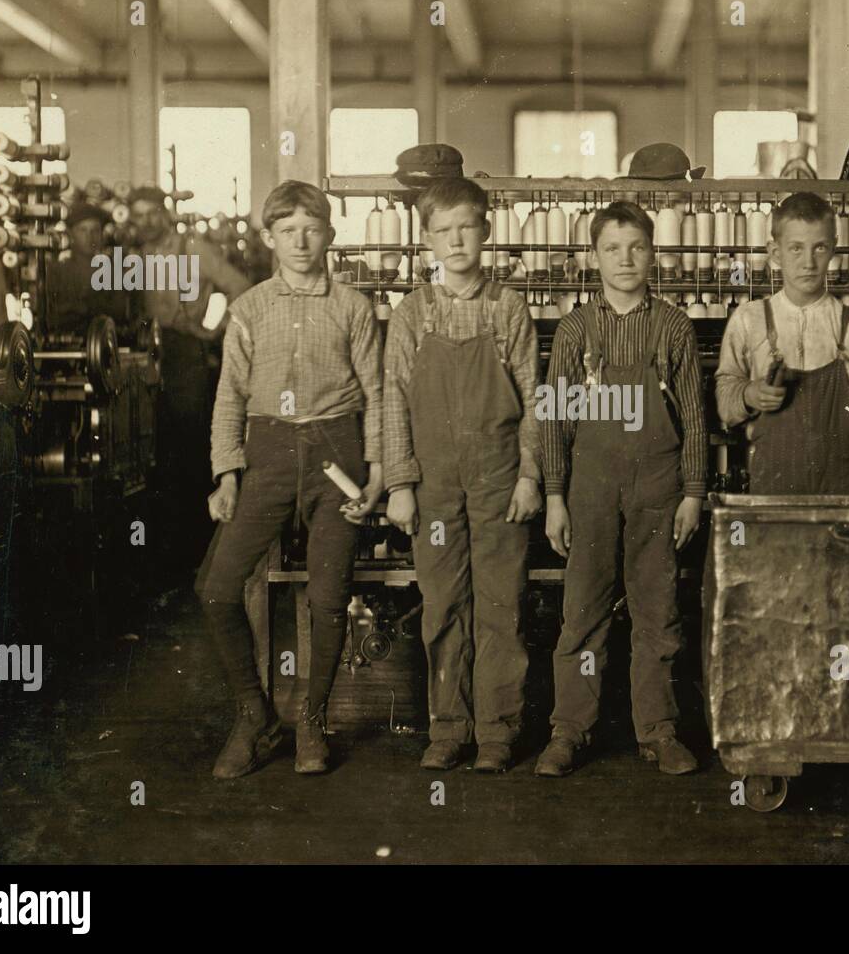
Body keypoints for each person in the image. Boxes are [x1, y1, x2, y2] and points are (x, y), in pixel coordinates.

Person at [196, 180, 384, 778]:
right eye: (288, 231)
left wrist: (379, 474)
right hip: (270, 451)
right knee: (217, 588)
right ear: (269, 238)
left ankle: (312, 721)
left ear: (329, 234)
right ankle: (255, 718)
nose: (301, 242)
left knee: (329, 596)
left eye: (312, 229)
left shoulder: (354, 307)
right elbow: (229, 396)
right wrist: (227, 474)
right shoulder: (249, 308)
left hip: (339, 454)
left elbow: (377, 395)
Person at [537, 200, 706, 778]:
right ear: (594, 257)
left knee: (657, 609)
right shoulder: (574, 330)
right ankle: (570, 730)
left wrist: (694, 492)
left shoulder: (673, 327)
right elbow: (555, 420)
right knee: (582, 610)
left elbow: (695, 420)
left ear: (653, 253)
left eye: (636, 247)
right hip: (590, 485)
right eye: (613, 248)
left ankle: (658, 732)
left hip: (659, 485)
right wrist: (554, 496)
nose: (625, 258)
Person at [383, 177, 542, 774]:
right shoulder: (411, 315)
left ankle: (498, 731)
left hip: (500, 477)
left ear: (486, 232)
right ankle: (448, 727)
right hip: (435, 483)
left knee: (502, 604)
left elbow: (536, 400)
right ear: (427, 240)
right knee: (443, 603)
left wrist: (530, 475)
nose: (456, 241)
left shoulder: (509, 307)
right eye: (443, 231)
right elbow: (393, 400)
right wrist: (400, 484)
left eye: (466, 228)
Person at [716, 191, 849, 495]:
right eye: (796, 249)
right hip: (773, 496)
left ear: (833, 249)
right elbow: (724, 405)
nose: (808, 262)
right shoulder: (748, 320)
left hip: (846, 496)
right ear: (775, 253)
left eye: (819, 247)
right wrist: (749, 394)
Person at [129, 186, 252, 571]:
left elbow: (241, 290)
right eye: (138, 215)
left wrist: (214, 331)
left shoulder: (194, 248)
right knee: (159, 452)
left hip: (188, 354)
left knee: (192, 448)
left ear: (166, 213)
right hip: (154, 353)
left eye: (152, 213)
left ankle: (201, 552)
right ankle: (171, 555)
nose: (145, 221)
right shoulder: (139, 256)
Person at [46, 203, 130, 333]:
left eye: (95, 230)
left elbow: (119, 314)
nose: (89, 237)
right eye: (82, 230)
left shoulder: (114, 272)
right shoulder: (56, 271)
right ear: (71, 234)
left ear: (102, 235)